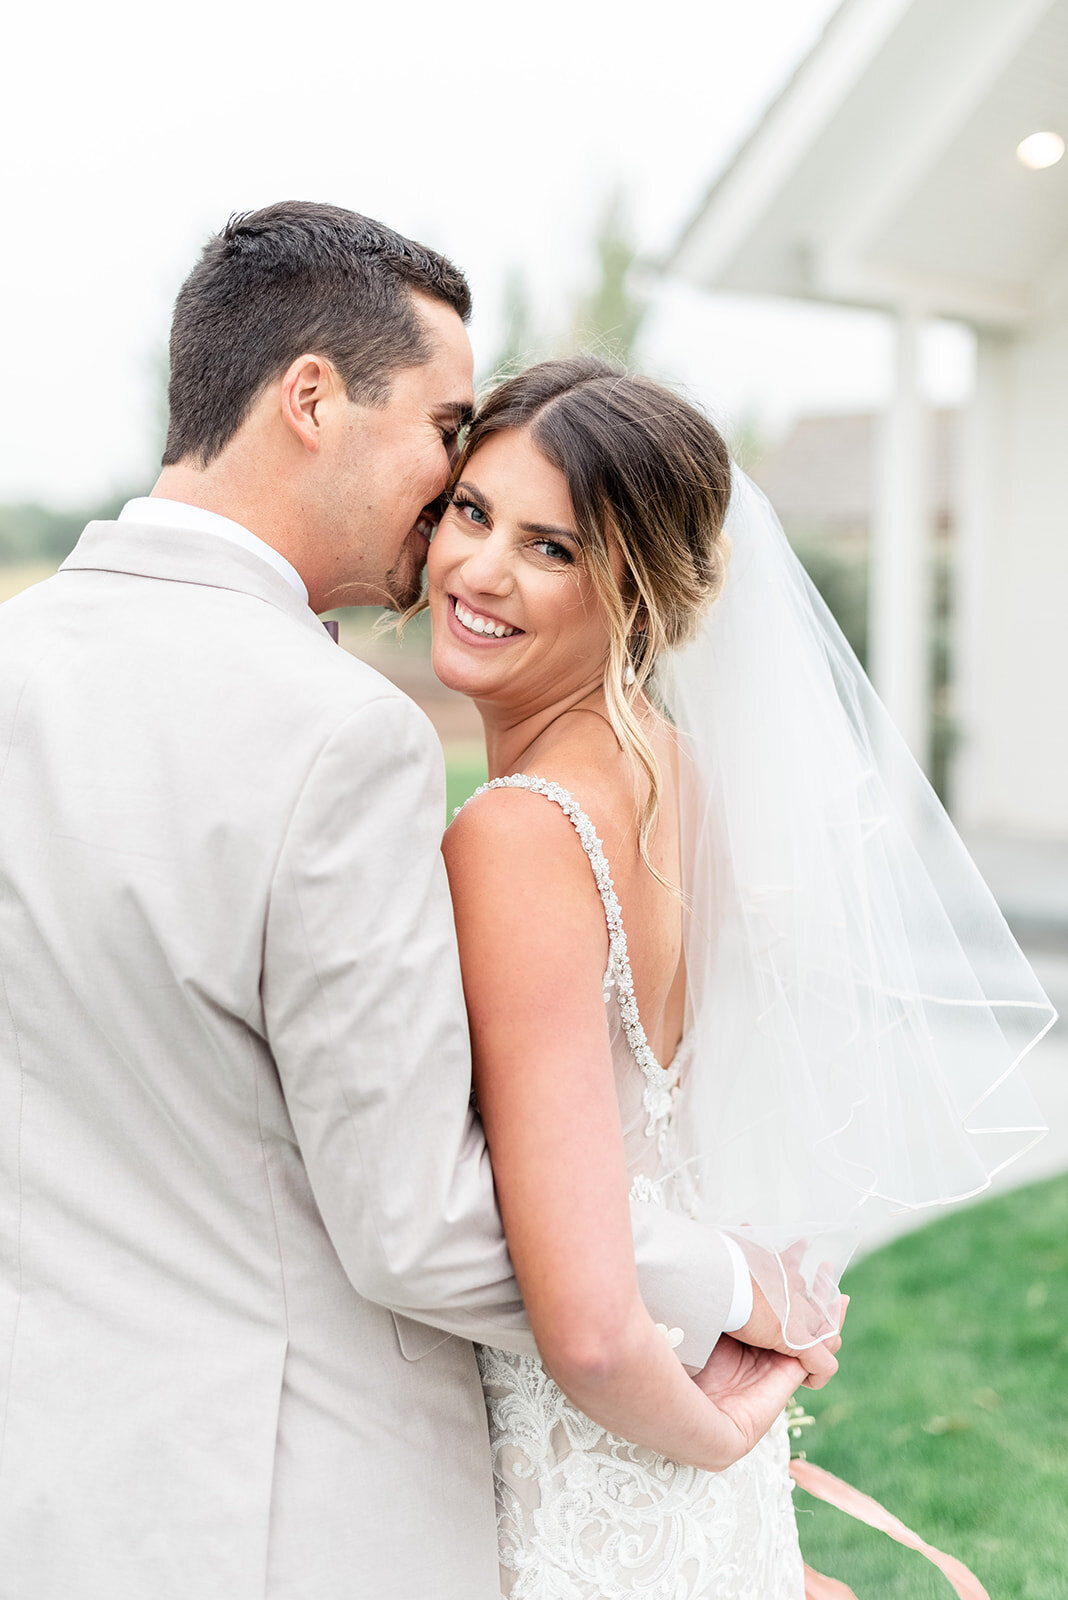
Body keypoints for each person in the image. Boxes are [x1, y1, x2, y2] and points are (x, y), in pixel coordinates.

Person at [0, 205, 839, 1600]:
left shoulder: (15, 662)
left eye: (547, 538)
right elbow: (417, 1221)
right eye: (449, 436)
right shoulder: (340, 735)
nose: (452, 496)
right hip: (299, 1504)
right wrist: (737, 1294)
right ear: (313, 398)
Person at [426, 356, 1052, 1597]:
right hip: (686, 1418)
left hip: (593, 1442)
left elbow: (585, 1275)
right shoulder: (683, 780)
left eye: (554, 549)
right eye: (473, 510)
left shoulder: (519, 832)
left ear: (639, 592)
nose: (482, 570)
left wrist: (711, 1431)